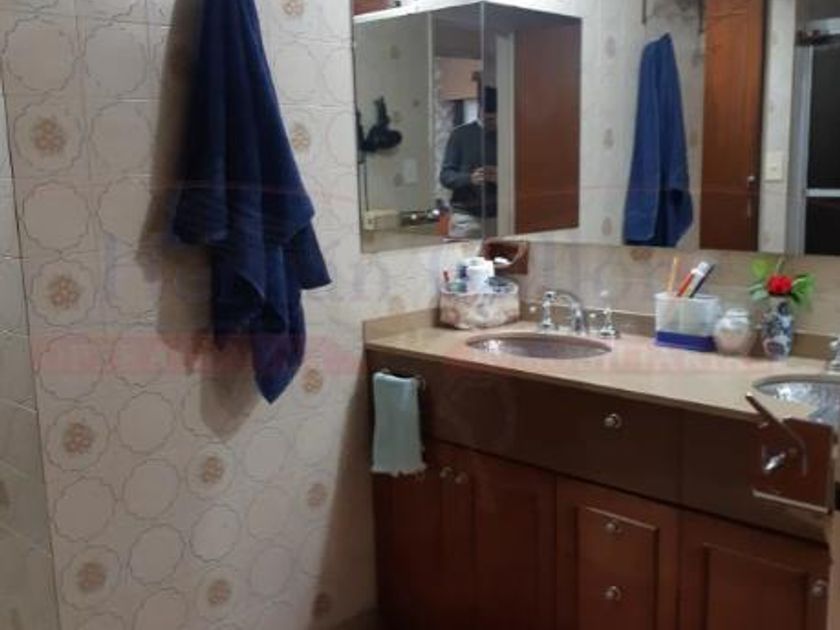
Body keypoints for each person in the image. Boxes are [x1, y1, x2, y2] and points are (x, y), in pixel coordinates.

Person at [440, 87, 498, 239]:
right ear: (480, 111)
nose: (493, 124)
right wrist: (470, 178)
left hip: (501, 216)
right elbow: (446, 176)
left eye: (496, 119)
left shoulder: (508, 135)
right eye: (489, 119)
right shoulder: (460, 135)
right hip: (466, 217)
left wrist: (502, 178)